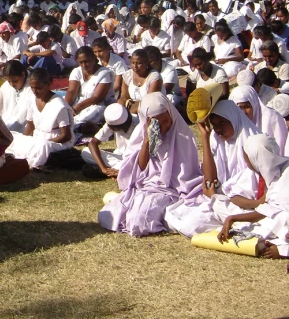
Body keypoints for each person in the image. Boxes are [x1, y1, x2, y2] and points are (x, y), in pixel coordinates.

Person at [98, 93, 202, 237]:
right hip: (144, 186)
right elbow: (137, 169)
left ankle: (165, 213)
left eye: (165, 120)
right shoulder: (140, 133)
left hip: (170, 190)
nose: (164, 126)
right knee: (106, 216)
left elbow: (184, 178)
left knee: (138, 222)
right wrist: (147, 140)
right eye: (157, 123)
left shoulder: (182, 134)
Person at [165, 99, 260, 238]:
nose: (218, 129)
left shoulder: (253, 142)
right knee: (175, 216)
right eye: (214, 124)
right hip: (222, 198)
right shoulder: (217, 138)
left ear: (233, 118)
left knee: (193, 225)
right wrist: (205, 137)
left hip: (246, 204)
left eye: (222, 123)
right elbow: (210, 181)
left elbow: (255, 193)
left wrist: (216, 196)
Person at [217, 134, 289, 259]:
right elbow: (232, 193)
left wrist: (233, 218)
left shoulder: (285, 174)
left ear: (256, 158)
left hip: (281, 217)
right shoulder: (264, 169)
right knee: (219, 203)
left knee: (283, 218)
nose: (246, 161)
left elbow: (271, 211)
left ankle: (283, 249)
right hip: (267, 214)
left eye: (247, 157)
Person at [7, 69, 75, 169]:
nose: (34, 91)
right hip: (37, 139)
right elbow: (30, 125)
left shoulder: (59, 105)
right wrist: (24, 140)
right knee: (13, 137)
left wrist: (43, 142)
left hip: (54, 142)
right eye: (32, 88)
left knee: (42, 146)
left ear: (48, 85)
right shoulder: (32, 100)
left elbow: (66, 136)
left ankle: (33, 162)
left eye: (38, 88)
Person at [82, 103, 139, 178]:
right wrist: (103, 168)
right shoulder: (113, 123)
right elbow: (92, 144)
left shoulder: (139, 125)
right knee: (85, 152)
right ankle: (115, 170)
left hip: (134, 159)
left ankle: (118, 170)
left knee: (130, 164)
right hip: (119, 157)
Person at [65, 46, 115, 131]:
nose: (84, 65)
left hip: (97, 105)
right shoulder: (77, 71)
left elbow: (97, 98)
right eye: (81, 62)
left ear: (94, 58)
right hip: (77, 102)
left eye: (87, 61)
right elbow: (71, 91)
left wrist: (77, 108)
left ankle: (74, 127)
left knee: (94, 112)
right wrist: (66, 107)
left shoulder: (104, 73)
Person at [229, 85, 288, 155]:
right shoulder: (233, 124)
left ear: (254, 103)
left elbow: (281, 150)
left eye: (246, 107)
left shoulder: (272, 118)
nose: (243, 112)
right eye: (239, 108)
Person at [118, 49, 162, 115]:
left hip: (150, 110)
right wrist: (121, 111)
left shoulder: (154, 77)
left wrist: (130, 114)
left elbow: (150, 102)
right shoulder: (127, 75)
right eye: (133, 63)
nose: (135, 66)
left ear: (147, 63)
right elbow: (123, 98)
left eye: (139, 63)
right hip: (132, 109)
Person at [0, 60, 33, 131]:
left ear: (23, 74)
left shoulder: (32, 88)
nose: (12, 84)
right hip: (5, 126)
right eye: (9, 81)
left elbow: (24, 117)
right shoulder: (6, 86)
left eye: (15, 81)